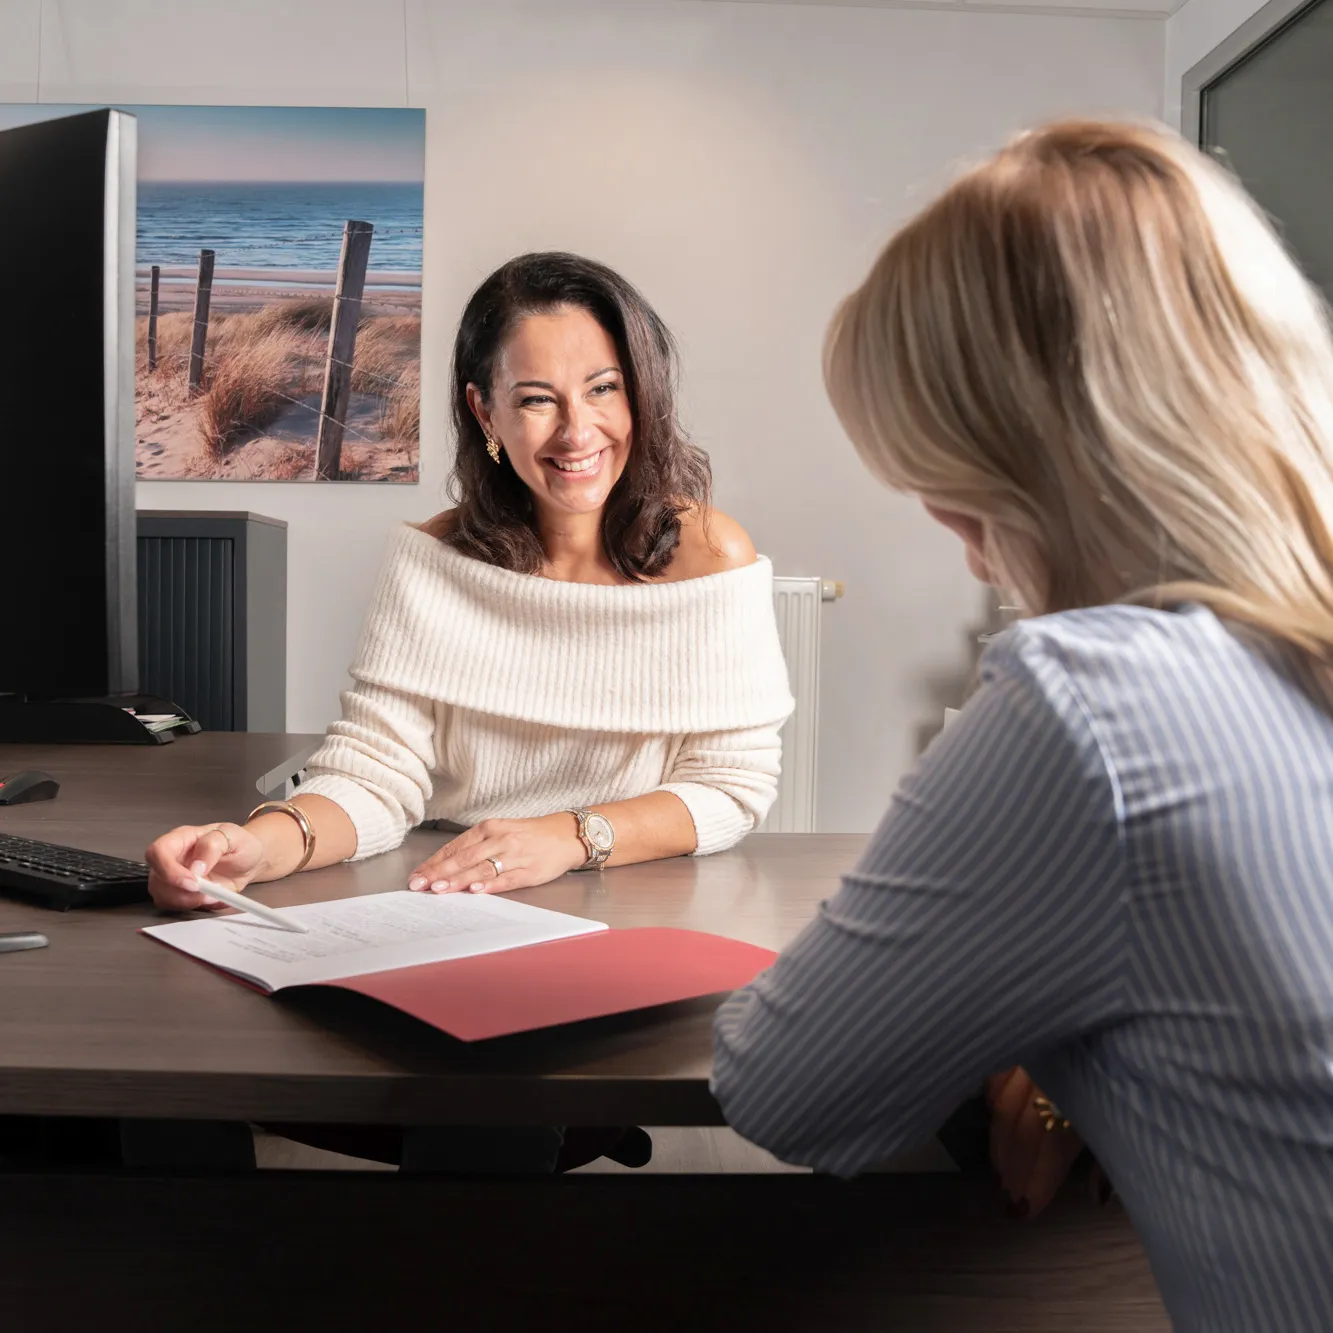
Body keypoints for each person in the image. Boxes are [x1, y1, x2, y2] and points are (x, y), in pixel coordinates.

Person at [712, 120, 1333, 1332]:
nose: (958, 539)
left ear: (1038, 457)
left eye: (945, 482)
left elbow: (784, 1087)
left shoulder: (1094, 702)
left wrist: (1035, 1033)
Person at [136, 251, 794, 1174]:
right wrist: (258, 843)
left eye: (602, 388)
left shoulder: (711, 554)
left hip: (623, 930)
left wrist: (564, 836)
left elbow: (732, 787)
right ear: (483, 412)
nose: (577, 430)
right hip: (446, 915)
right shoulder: (429, 561)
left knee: (486, 1117)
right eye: (535, 399)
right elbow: (373, 774)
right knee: (172, 1063)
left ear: (642, 394)